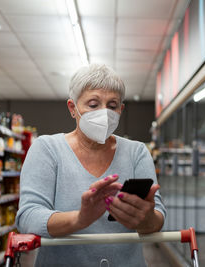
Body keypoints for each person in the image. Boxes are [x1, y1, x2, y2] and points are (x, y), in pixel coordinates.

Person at [15, 64, 166, 267]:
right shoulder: (47, 149)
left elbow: (156, 220)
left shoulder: (136, 152)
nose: (104, 113)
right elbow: (28, 217)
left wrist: (144, 218)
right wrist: (79, 219)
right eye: (93, 105)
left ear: (121, 110)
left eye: (112, 106)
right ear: (73, 108)